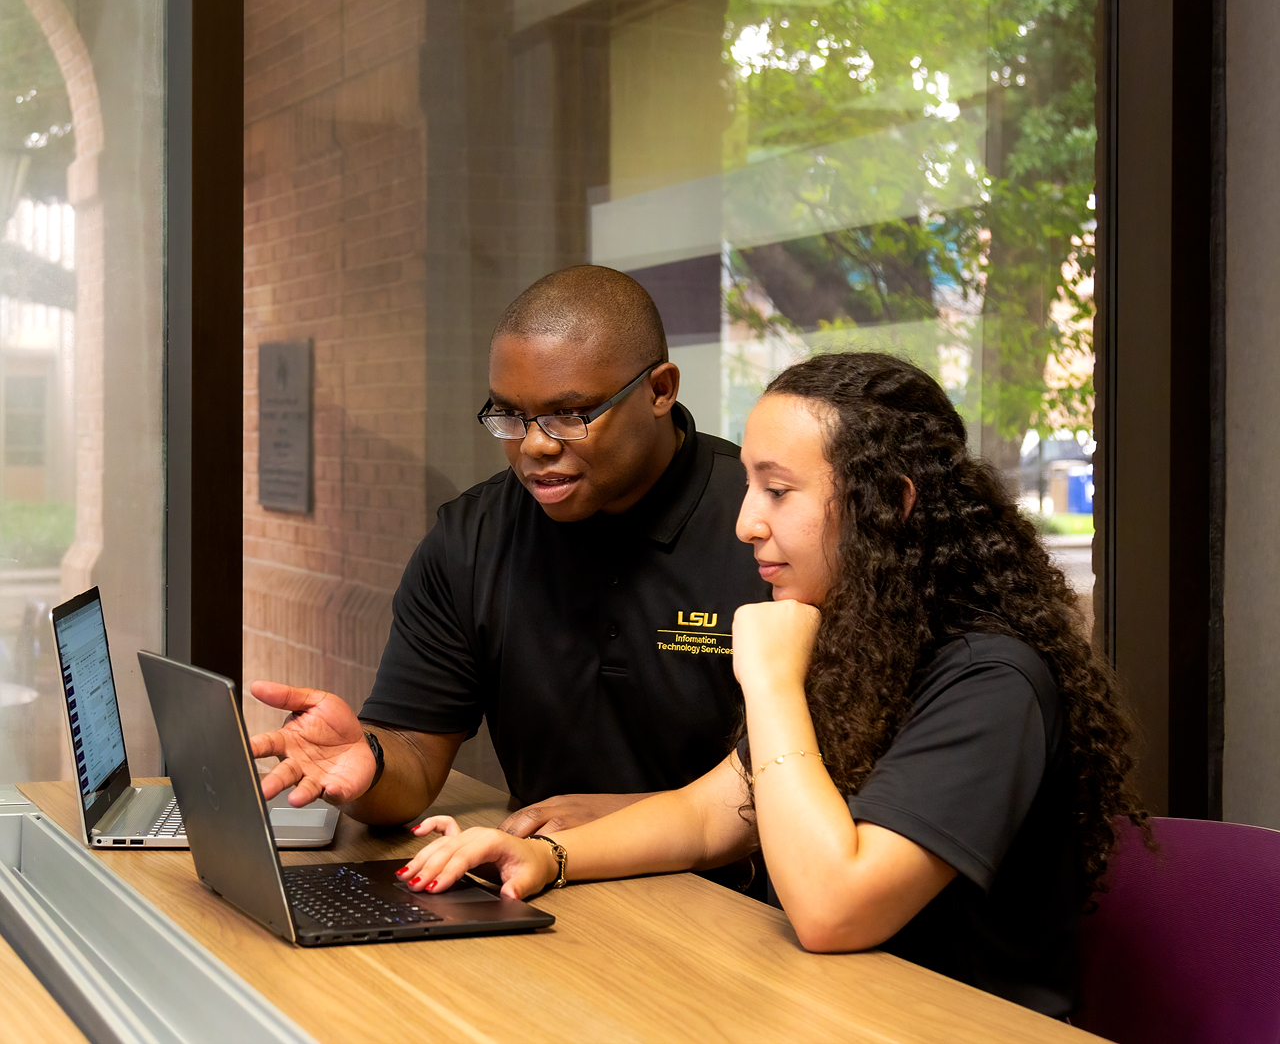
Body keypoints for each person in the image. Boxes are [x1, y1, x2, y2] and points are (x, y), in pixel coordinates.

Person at [393, 351, 1145, 1019]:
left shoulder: (990, 679)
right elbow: (713, 811)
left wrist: (771, 681)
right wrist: (550, 860)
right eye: (750, 486)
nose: (747, 522)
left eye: (778, 491)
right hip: (828, 1008)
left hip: (939, 1023)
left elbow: (832, 910)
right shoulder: (862, 643)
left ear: (894, 504)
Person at [248, 265, 770, 839]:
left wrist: (635, 818)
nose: (536, 446)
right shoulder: (471, 539)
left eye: (570, 415)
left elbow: (827, 778)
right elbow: (414, 760)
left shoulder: (766, 528)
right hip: (542, 878)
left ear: (659, 391)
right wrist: (368, 763)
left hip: (738, 900)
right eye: (511, 417)